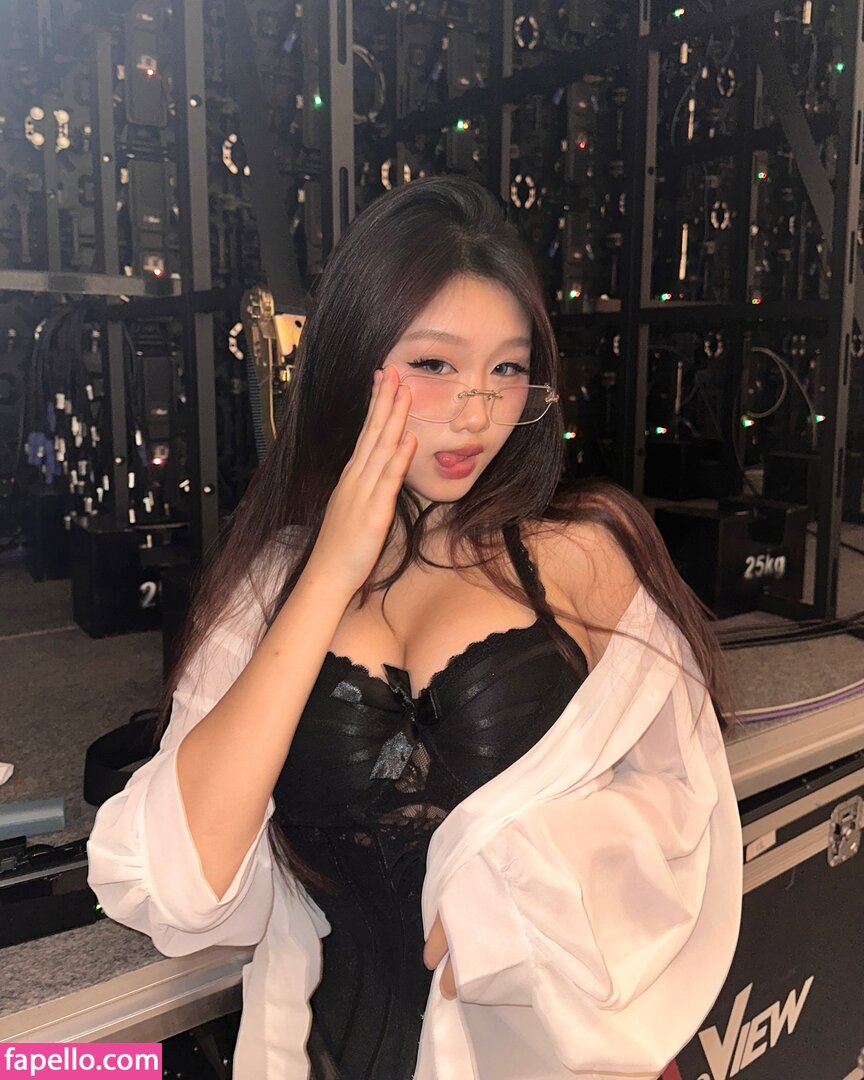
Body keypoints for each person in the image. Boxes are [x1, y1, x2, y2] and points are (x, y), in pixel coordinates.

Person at [87, 175, 742, 1080]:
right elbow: (180, 883)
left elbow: (684, 806)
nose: (477, 411)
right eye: (435, 365)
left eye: (507, 369)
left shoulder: (583, 555)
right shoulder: (271, 585)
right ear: (353, 361)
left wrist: (525, 889)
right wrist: (329, 571)